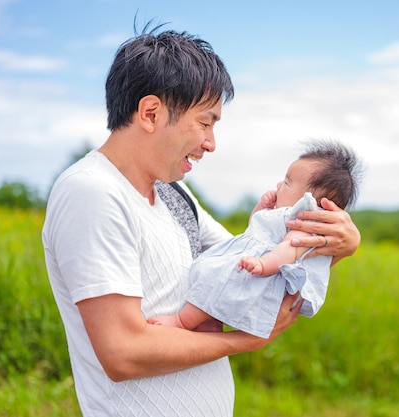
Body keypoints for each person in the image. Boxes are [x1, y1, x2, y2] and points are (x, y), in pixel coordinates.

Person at [42, 24, 361, 417]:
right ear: (151, 113)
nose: (211, 143)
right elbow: (123, 352)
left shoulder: (175, 192)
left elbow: (252, 271)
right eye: (205, 123)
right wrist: (242, 342)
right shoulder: (91, 192)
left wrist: (336, 246)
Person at [148, 140, 363, 338]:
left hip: (262, 271)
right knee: (212, 278)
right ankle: (209, 322)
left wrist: (263, 264)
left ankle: (181, 320)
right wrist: (262, 208)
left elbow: (289, 249)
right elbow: (255, 230)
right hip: (256, 266)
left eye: (287, 183)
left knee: (215, 277)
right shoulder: (283, 218)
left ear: (309, 201)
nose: (279, 185)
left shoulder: (302, 226)